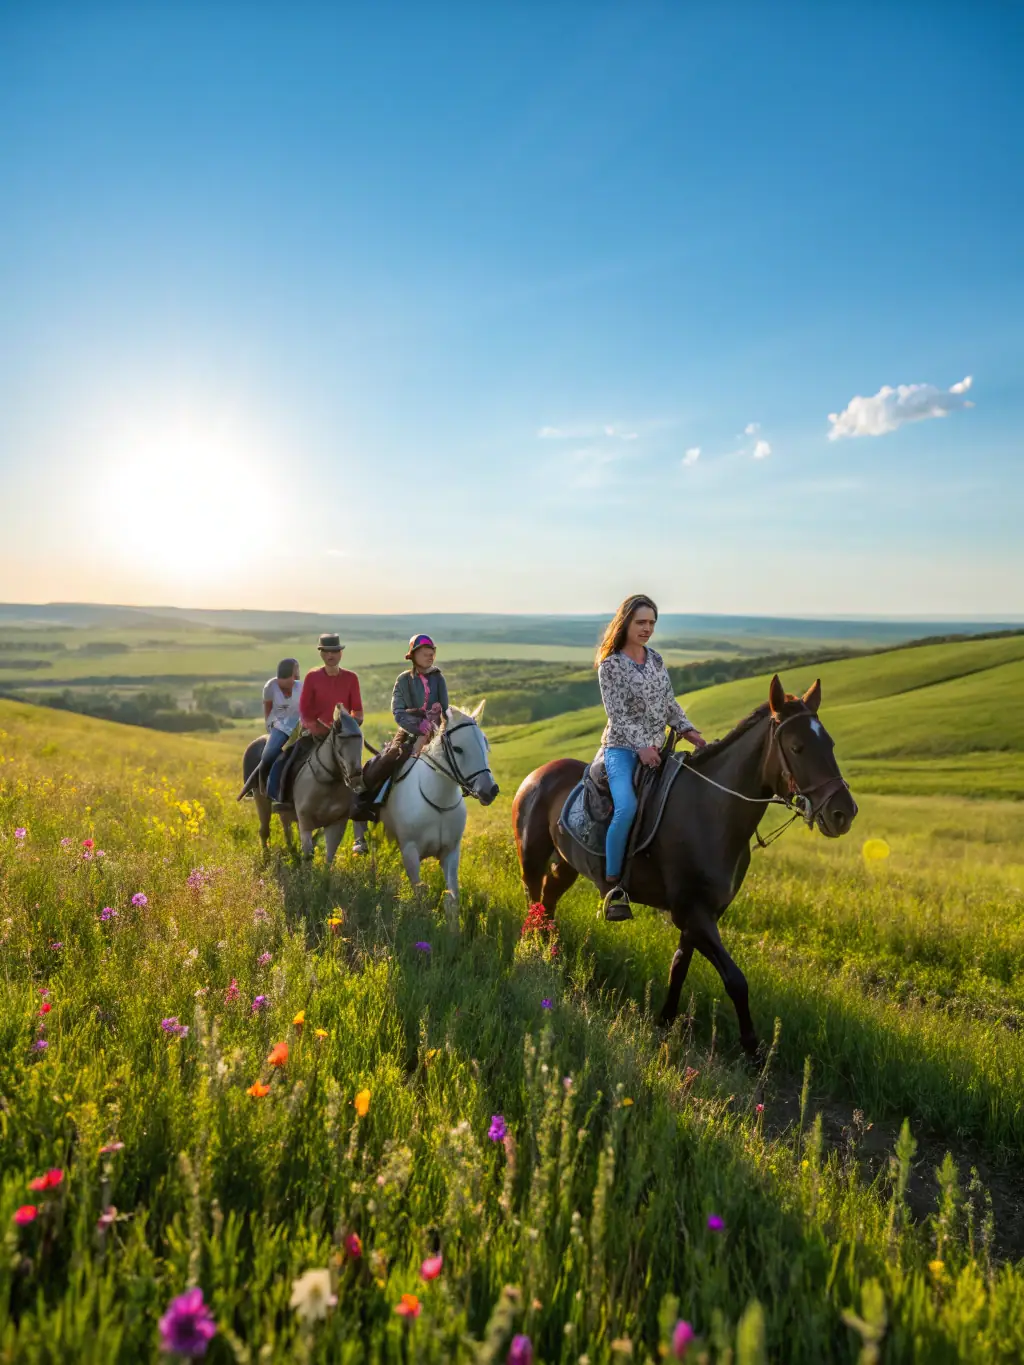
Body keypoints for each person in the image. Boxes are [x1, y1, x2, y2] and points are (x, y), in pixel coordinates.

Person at [596, 594, 707, 922]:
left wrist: (689, 731)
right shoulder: (611, 664)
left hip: (659, 749)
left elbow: (669, 702)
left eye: (652, 623)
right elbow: (616, 714)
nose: (647, 629)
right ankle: (614, 884)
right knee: (627, 807)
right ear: (626, 623)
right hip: (622, 749)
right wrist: (642, 746)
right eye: (641, 622)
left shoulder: (656, 659)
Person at [297, 632, 369, 853]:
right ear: (321, 654)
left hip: (343, 736)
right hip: (317, 734)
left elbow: (358, 710)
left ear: (340, 653)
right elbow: (304, 710)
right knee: (289, 758)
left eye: (334, 651)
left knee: (359, 774)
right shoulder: (312, 677)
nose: (331, 655)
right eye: (326, 652)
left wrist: (350, 720)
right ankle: (282, 797)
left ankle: (360, 833)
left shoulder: (351, 678)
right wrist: (316, 727)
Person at [392, 633, 449, 750]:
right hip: (409, 734)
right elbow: (398, 712)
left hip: (438, 733)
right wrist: (418, 726)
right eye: (425, 655)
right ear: (413, 656)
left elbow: (445, 711)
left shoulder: (438, 678)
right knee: (390, 758)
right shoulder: (403, 680)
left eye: (432, 654)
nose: (430, 657)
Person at [261, 659, 301, 802]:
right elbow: (268, 709)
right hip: (280, 725)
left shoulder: (301, 687)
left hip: (299, 725)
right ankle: (264, 786)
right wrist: (271, 727)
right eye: (293, 675)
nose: (295, 678)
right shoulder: (270, 687)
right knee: (268, 754)